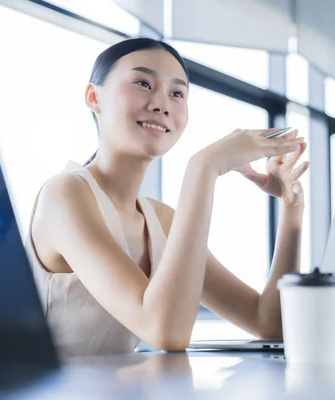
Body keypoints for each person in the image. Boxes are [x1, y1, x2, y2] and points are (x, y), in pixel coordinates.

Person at [27, 38, 309, 356]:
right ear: (94, 97)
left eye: (177, 93)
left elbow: (269, 323)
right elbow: (166, 332)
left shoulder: (161, 220)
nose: (162, 104)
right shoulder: (64, 194)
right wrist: (203, 167)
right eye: (143, 83)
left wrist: (292, 210)